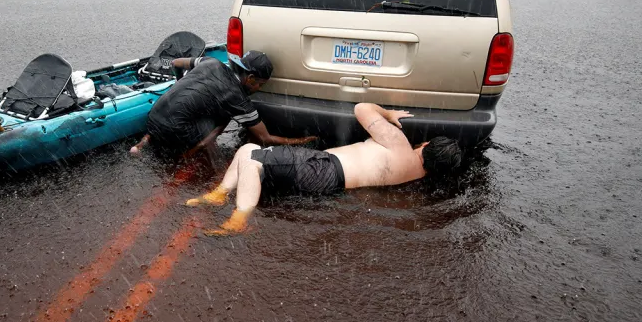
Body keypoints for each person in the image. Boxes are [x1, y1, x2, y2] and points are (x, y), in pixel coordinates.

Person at [186, 102, 464, 235]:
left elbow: (362, 108)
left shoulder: (400, 145)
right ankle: (220, 192)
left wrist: (389, 114)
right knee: (248, 150)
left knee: (253, 160)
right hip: (328, 183)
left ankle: (239, 218)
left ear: (425, 145)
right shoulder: (415, 174)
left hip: (323, 167)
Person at [130, 50, 316, 161]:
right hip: (176, 130)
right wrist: (301, 141)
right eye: (260, 84)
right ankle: (191, 152)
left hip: (154, 117)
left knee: (182, 105)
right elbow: (265, 138)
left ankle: (142, 143)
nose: (258, 89)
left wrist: (180, 83)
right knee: (226, 115)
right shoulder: (237, 99)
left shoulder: (211, 61)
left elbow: (175, 63)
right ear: (250, 78)